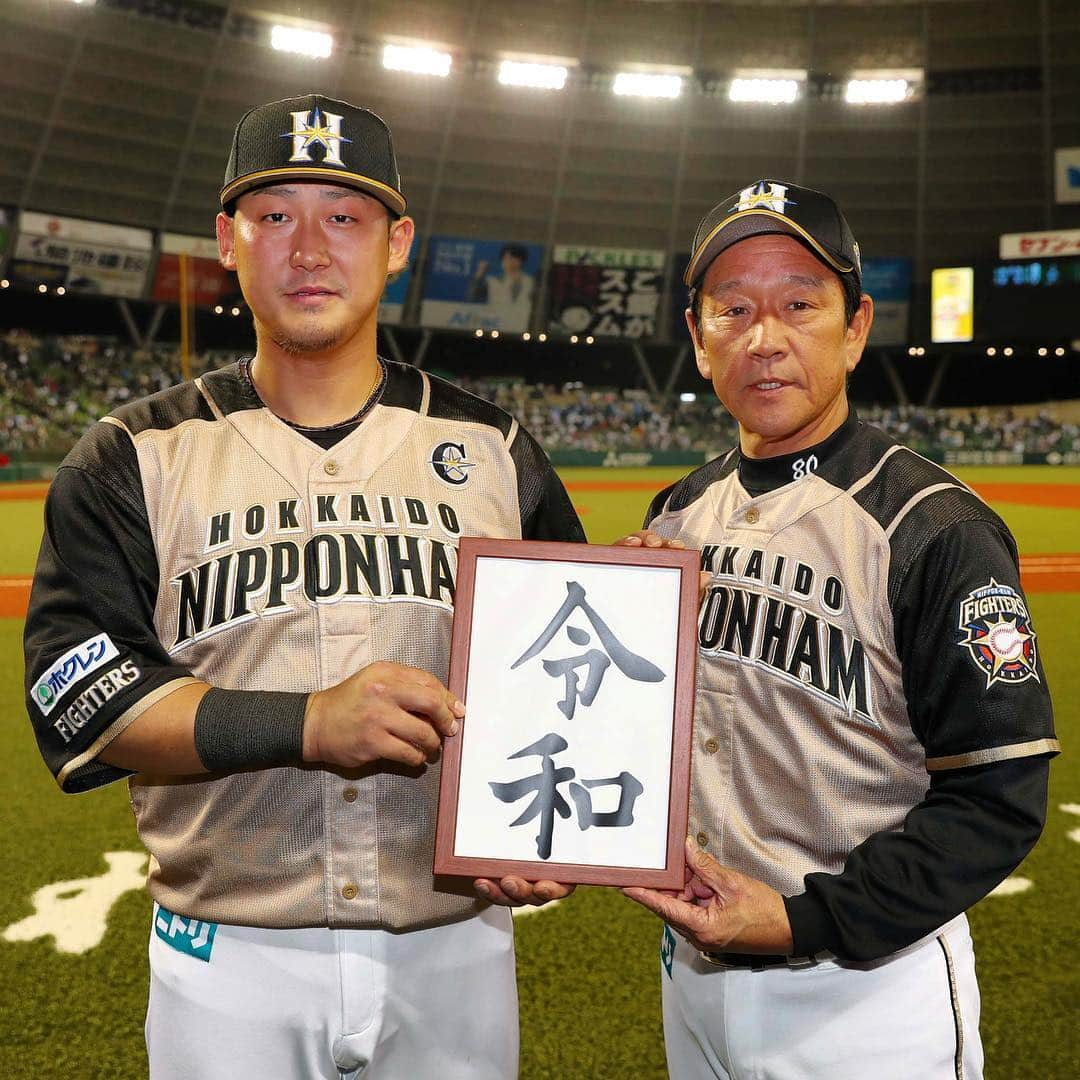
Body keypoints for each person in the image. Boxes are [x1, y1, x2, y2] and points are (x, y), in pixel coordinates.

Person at [23, 93, 582, 1079]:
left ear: (398, 241)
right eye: (275, 216)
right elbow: (81, 700)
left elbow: (567, 680)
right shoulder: (130, 455)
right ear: (227, 241)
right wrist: (309, 721)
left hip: (455, 945)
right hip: (227, 957)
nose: (311, 249)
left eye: (345, 217)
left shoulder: (494, 447)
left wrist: (555, 830)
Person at [619, 179, 1057, 1079]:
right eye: (732, 309)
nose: (764, 338)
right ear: (699, 340)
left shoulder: (934, 528)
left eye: (799, 305)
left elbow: (997, 802)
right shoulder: (675, 517)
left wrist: (797, 919)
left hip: (864, 993)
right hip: (692, 977)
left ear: (855, 328)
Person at [467, 243, 535, 330]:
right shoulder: (492, 281)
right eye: (505, 258)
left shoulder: (530, 282)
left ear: (520, 261)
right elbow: (472, 295)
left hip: (522, 328)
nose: (507, 261)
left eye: (511, 258)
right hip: (495, 326)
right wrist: (480, 272)